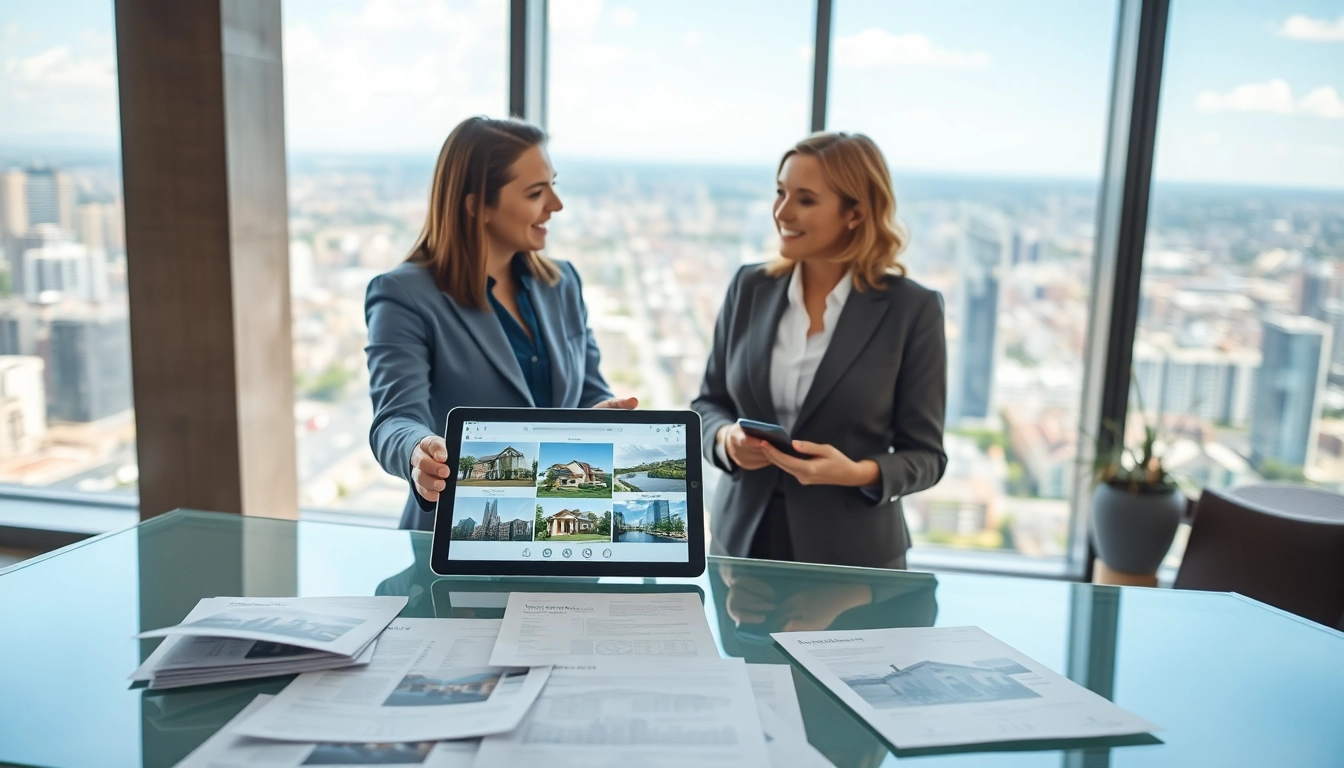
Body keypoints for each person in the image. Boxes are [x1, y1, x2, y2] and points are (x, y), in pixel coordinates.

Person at [691, 132, 947, 569]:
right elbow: (708, 404)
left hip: (853, 561)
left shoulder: (912, 309)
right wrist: (725, 439)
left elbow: (927, 457)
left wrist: (856, 472)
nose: (782, 212)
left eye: (805, 200)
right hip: (739, 548)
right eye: (780, 192)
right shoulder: (749, 287)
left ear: (856, 213)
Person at [365, 117, 635, 531]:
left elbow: (588, 389)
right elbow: (395, 419)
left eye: (553, 186)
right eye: (535, 193)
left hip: (562, 530)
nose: (556, 205)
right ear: (477, 206)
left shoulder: (561, 283)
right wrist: (418, 451)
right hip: (462, 535)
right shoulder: (404, 295)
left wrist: (601, 413)